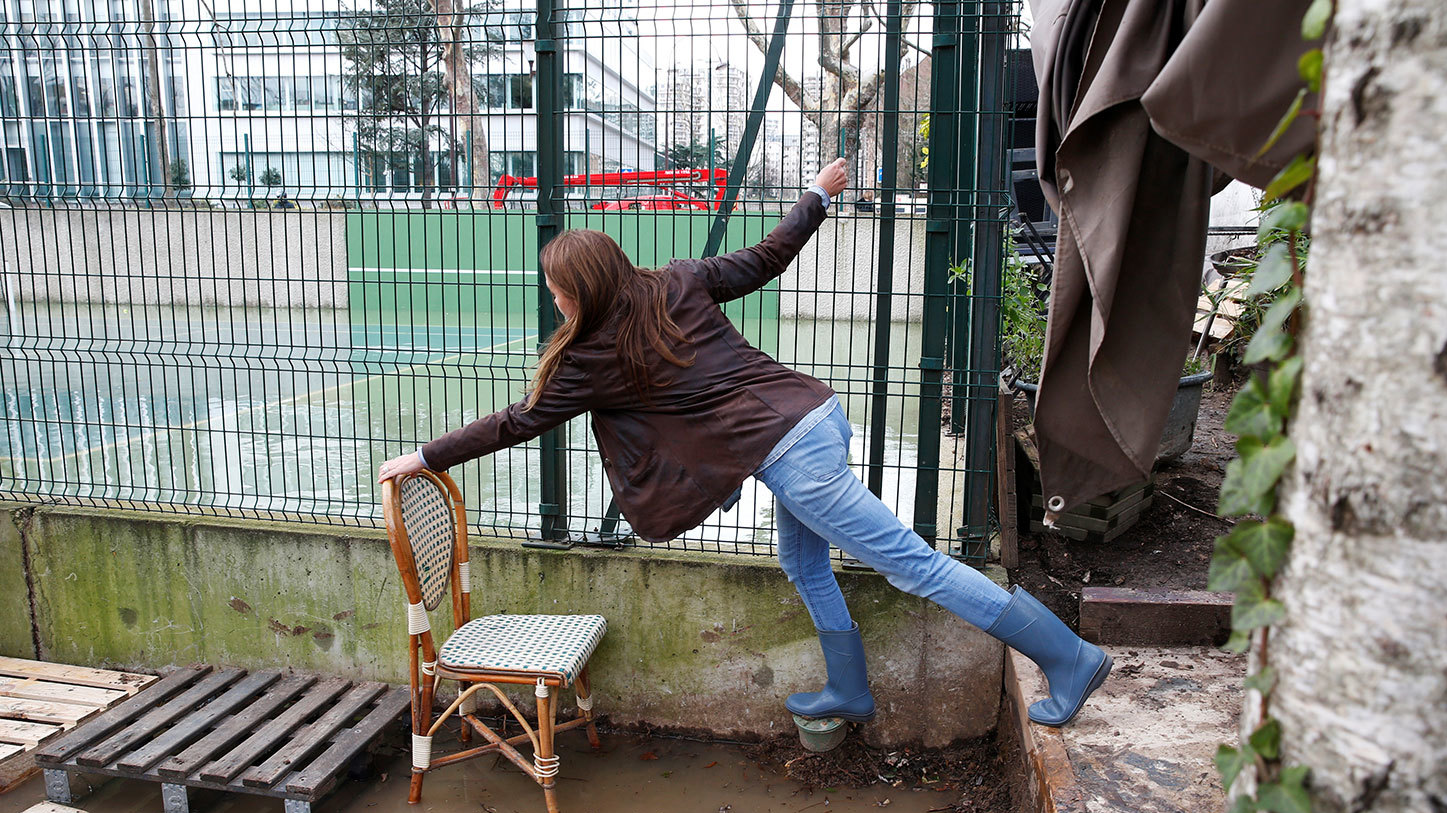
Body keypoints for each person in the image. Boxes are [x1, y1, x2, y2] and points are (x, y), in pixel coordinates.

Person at [379, 158, 1111, 727]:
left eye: (558, 289)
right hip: (814, 416)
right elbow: (766, 258)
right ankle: (850, 690)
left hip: (792, 456)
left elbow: (516, 421)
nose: (554, 298)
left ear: (583, 292)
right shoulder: (678, 281)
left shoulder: (590, 359)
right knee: (803, 560)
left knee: (914, 566)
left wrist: (424, 456)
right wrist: (814, 196)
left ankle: (1068, 656)